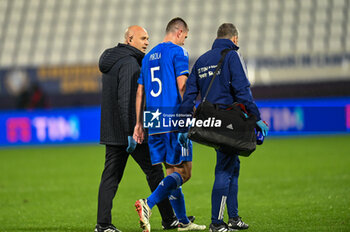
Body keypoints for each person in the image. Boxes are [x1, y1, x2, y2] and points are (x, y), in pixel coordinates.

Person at [178, 23, 269, 232]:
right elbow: (242, 91)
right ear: (234, 39)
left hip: (211, 122)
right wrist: (256, 117)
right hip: (230, 122)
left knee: (232, 166)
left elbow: (189, 96)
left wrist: (184, 123)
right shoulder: (232, 56)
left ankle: (234, 218)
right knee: (225, 170)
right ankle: (217, 223)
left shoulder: (201, 60)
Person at [95, 25, 181, 232]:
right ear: (130, 38)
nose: (146, 42)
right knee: (154, 172)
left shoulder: (111, 61)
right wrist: (131, 132)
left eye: (148, 38)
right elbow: (126, 100)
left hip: (113, 131)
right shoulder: (130, 64)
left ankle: (103, 224)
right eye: (142, 38)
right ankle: (169, 219)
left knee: (111, 178)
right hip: (131, 133)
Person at [133, 18, 206, 232]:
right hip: (173, 117)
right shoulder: (178, 52)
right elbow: (183, 86)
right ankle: (148, 203)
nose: (185, 40)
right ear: (179, 32)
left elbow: (140, 92)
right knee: (185, 173)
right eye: (185, 36)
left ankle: (182, 221)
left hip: (153, 119)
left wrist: (139, 123)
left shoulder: (147, 58)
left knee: (171, 172)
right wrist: (191, 111)